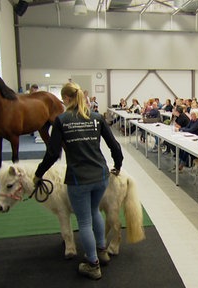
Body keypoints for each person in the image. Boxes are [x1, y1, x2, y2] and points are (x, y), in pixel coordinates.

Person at [34, 82, 123, 280]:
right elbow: (115, 146)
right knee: (94, 212)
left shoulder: (62, 120)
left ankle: (93, 264)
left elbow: (52, 153)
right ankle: (101, 250)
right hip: (101, 176)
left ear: (66, 99)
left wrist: (39, 173)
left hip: (78, 179)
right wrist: (118, 165)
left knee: (84, 221)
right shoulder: (96, 118)